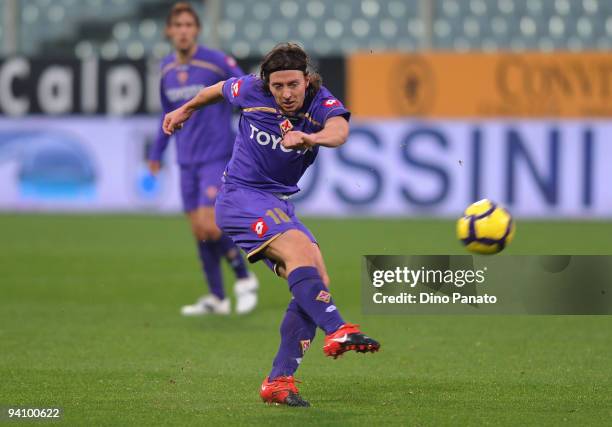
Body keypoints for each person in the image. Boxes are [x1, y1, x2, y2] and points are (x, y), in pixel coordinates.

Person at [162, 43, 381, 407]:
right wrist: (184, 109)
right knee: (299, 253)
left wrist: (310, 137)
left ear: (306, 80)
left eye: (293, 84)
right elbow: (215, 91)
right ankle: (339, 329)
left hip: (276, 204)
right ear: (267, 83)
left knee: (316, 282)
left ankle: (279, 381)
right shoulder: (252, 89)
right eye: (278, 86)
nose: (286, 93)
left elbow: (339, 131)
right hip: (239, 197)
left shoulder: (320, 102)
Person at [149, 2, 258, 316]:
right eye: (177, 25)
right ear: (169, 31)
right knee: (198, 230)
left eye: (188, 25)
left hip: (216, 154)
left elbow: (246, 89)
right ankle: (217, 298)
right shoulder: (167, 71)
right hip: (186, 159)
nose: (183, 30)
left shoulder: (215, 61)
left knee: (211, 226)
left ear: (196, 30)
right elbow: (166, 114)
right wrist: (156, 152)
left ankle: (244, 278)